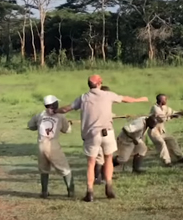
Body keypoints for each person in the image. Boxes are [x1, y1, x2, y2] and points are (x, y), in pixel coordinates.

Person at [55, 74, 148, 202]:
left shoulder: (83, 98)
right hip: (107, 133)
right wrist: (140, 99)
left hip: (91, 135)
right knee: (109, 159)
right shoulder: (107, 95)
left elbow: (66, 109)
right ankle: (109, 187)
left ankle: (90, 192)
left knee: (91, 164)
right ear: (99, 84)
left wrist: (54, 111)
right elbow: (126, 99)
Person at [27, 95, 75, 198]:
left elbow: (31, 126)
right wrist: (69, 124)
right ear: (54, 104)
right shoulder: (61, 116)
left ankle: (44, 192)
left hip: (41, 145)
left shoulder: (39, 115)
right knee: (65, 169)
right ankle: (71, 191)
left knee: (44, 169)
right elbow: (67, 130)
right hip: (53, 145)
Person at [148, 94, 183, 166]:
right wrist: (173, 116)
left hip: (161, 130)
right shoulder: (155, 108)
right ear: (161, 100)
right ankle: (167, 162)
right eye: (165, 99)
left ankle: (180, 157)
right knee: (161, 144)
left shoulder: (165, 107)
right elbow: (162, 118)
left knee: (171, 140)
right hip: (154, 131)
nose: (166, 100)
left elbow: (172, 112)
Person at [92, 85, 115, 185]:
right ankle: (97, 177)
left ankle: (104, 176)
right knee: (100, 157)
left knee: (106, 156)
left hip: (105, 132)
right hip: (98, 132)